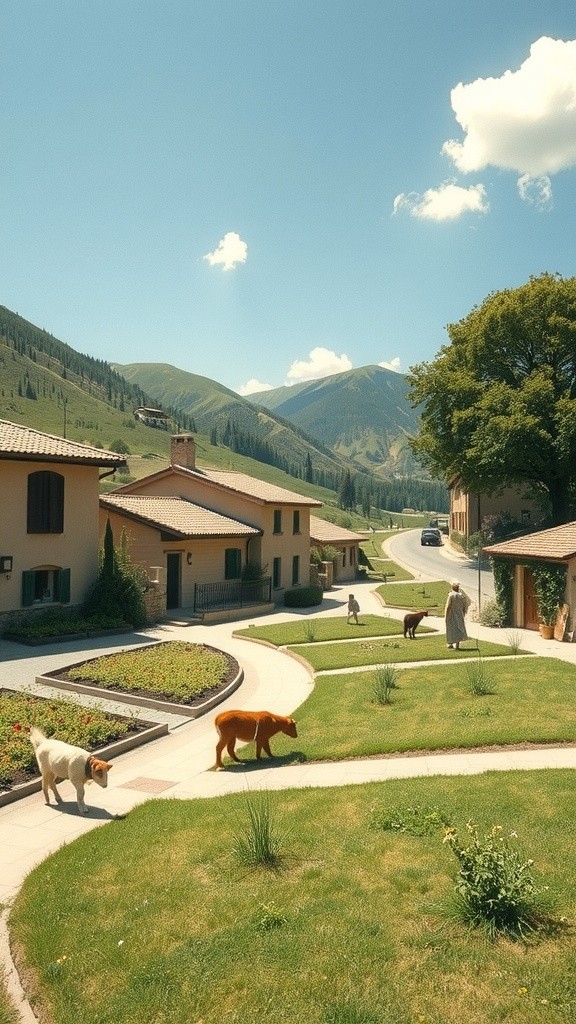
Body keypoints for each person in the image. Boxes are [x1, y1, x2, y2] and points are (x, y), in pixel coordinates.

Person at [444, 579, 471, 649]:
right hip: (460, 613)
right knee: (459, 628)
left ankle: (450, 643)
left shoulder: (451, 596)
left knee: (451, 628)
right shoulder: (461, 596)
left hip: (452, 614)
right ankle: (457, 645)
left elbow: (448, 606)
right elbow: (465, 605)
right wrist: (463, 612)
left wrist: (446, 616)